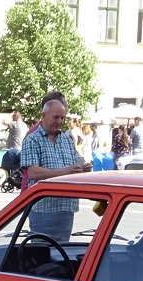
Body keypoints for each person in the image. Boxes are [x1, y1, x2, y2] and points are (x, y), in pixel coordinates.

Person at [20, 98, 92, 242]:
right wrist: (65, 172)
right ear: (44, 115)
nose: (59, 121)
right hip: (42, 209)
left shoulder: (66, 139)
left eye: (62, 118)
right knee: (42, 255)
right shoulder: (32, 140)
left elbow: (74, 165)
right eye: (56, 117)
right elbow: (33, 173)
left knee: (61, 256)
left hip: (66, 208)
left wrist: (83, 168)